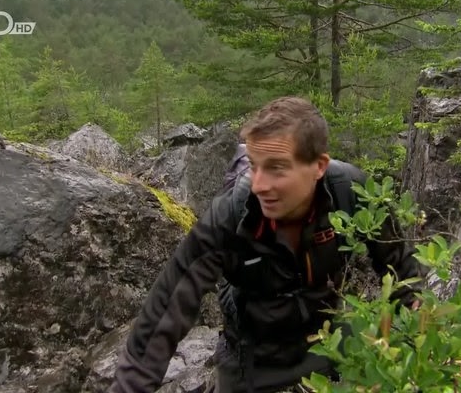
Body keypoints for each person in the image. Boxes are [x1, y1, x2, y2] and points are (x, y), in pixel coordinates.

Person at [109, 96, 424, 393]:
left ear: (319, 166)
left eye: (276, 168)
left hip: (327, 342)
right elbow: (164, 314)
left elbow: (401, 268)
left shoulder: (350, 192)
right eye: (254, 165)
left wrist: (423, 340)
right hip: (251, 358)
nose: (259, 185)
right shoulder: (230, 216)